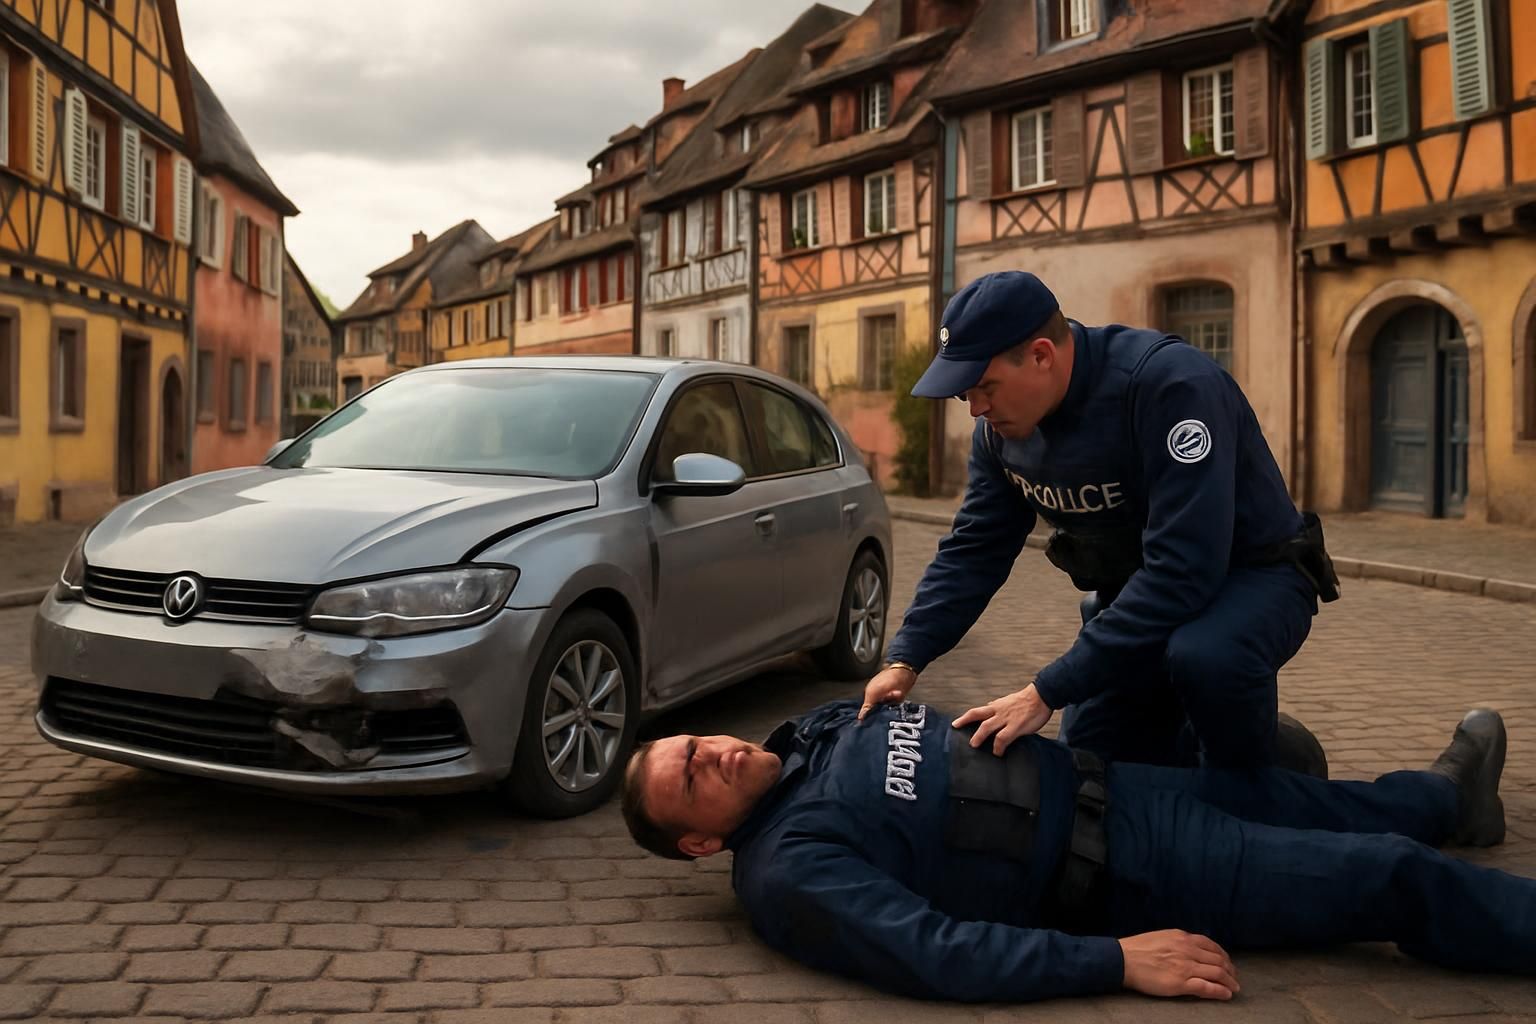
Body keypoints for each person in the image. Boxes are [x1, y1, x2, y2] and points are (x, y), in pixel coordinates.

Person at [621, 699, 1531, 1002]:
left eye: (694, 744)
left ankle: (1452, 798)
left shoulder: (816, 730)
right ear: (702, 842)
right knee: (1383, 874)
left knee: (1333, 803)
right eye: (693, 779)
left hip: (1128, 784)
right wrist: (1116, 963)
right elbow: (933, 953)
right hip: (1130, 873)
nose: (713, 754)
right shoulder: (789, 872)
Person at [862, 272, 1340, 771]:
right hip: (1140, 591)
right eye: (966, 396)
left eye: (985, 387)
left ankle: (1263, 778)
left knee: (1204, 659)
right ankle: (1217, 754)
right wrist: (906, 658)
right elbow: (974, 549)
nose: (977, 410)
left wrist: (1046, 691)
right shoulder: (1000, 435)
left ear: (1042, 355)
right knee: (1091, 771)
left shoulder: (1169, 387)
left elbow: (1185, 569)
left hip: (1253, 577)